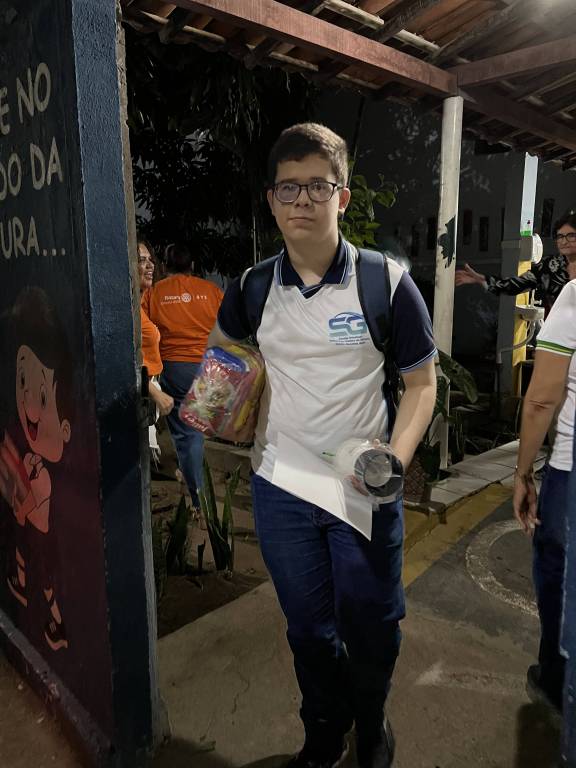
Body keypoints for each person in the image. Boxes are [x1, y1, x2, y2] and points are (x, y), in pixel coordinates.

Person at [208, 123, 437, 768]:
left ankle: (371, 720)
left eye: (318, 185)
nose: (302, 199)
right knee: (308, 629)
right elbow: (224, 352)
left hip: (361, 485)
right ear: (272, 200)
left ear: (342, 196)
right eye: (289, 188)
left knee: (373, 624)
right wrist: (226, 404)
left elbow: (421, 385)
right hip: (280, 486)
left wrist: (394, 459)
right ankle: (325, 730)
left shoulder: (384, 283)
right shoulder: (253, 287)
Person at [513, 276, 576, 714]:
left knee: (556, 571)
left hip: (570, 474)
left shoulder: (573, 295)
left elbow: (540, 400)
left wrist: (523, 474)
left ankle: (555, 677)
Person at [142, 242, 223, 507]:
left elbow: (142, 328)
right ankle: (190, 476)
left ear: (165, 266)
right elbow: (227, 327)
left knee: (188, 433)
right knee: (195, 429)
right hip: (209, 366)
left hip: (175, 368)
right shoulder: (212, 291)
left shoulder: (154, 293)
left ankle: (198, 500)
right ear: (193, 266)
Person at [455, 210, 576, 314]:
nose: (564, 241)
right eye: (560, 236)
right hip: (559, 330)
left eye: (570, 235)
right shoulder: (550, 266)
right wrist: (481, 279)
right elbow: (515, 285)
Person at [137, 239, 174, 422]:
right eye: (142, 260)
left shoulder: (140, 304)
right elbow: (123, 359)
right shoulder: (126, 310)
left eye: (150, 259)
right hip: (141, 393)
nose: (150, 265)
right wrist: (154, 393)